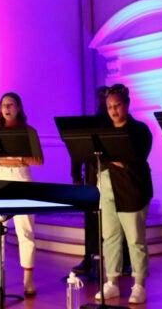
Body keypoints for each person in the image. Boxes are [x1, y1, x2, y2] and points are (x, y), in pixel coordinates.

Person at [0, 92, 44, 297]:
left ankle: (28, 277)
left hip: (22, 179)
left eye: (11, 104)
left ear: (18, 108)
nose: (7, 108)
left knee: (25, 230)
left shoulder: (28, 131)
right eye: (3, 104)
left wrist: (19, 158)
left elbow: (39, 160)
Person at [95, 84, 153, 305]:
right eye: (109, 106)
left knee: (135, 239)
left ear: (127, 104)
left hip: (132, 187)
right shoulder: (104, 129)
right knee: (110, 236)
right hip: (106, 185)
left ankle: (139, 284)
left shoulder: (140, 130)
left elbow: (135, 158)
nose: (113, 110)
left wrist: (116, 158)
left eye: (117, 105)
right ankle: (112, 281)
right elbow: (98, 159)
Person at [70, 86, 131, 277]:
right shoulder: (92, 122)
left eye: (107, 98)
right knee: (91, 220)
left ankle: (124, 261)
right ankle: (90, 256)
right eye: (101, 98)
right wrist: (76, 176)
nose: (103, 102)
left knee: (119, 220)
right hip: (91, 176)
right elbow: (78, 149)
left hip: (113, 177)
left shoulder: (116, 123)